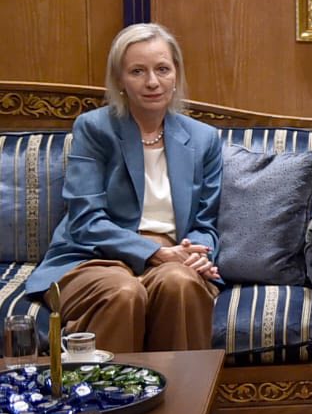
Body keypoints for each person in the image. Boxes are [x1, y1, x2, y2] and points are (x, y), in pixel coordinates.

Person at [25, 23, 222, 353]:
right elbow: (85, 220)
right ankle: (102, 387)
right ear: (119, 80)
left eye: (162, 69)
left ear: (176, 74)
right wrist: (153, 252)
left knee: (180, 284)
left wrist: (198, 254)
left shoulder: (204, 139)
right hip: (94, 258)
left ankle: (180, 388)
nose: (152, 82)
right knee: (124, 292)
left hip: (172, 261)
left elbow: (205, 223)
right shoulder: (94, 128)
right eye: (137, 71)